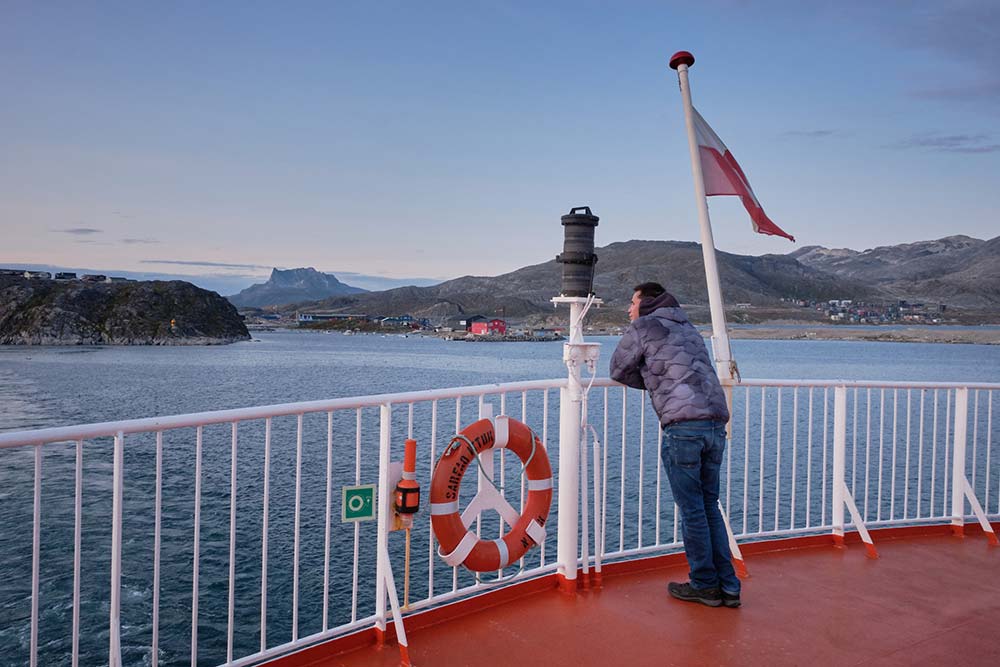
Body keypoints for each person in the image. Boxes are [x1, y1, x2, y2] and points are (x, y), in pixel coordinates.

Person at [609, 282, 741, 608]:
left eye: (632, 302)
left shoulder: (644, 326)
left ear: (647, 303)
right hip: (714, 423)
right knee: (709, 506)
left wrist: (654, 380)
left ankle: (705, 584)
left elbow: (617, 369)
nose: (629, 309)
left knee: (693, 509)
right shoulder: (688, 326)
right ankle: (729, 585)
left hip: (684, 427)